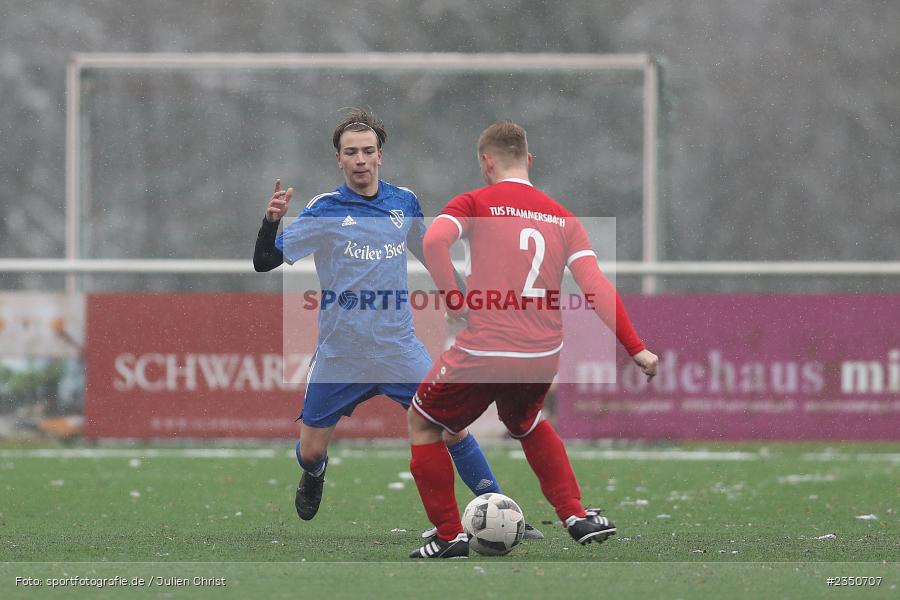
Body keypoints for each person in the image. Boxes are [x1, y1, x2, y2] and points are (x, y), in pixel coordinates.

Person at [253, 108, 542, 539]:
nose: (361, 160)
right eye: (351, 152)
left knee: (452, 427)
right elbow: (263, 261)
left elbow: (431, 254)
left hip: (398, 348)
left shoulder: (402, 202)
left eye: (368, 151)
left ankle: (502, 511)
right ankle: (314, 472)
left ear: (380, 156)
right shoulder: (324, 210)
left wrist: (468, 301)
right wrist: (271, 221)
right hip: (341, 354)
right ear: (339, 159)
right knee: (311, 451)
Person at [407, 120, 659, 558]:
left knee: (424, 422)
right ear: (529, 160)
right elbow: (594, 285)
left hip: (485, 347)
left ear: (486, 162)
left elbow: (433, 242)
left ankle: (448, 536)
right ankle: (575, 514)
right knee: (525, 421)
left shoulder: (473, 202)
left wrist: (454, 300)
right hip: (542, 352)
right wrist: (636, 347)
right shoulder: (562, 217)